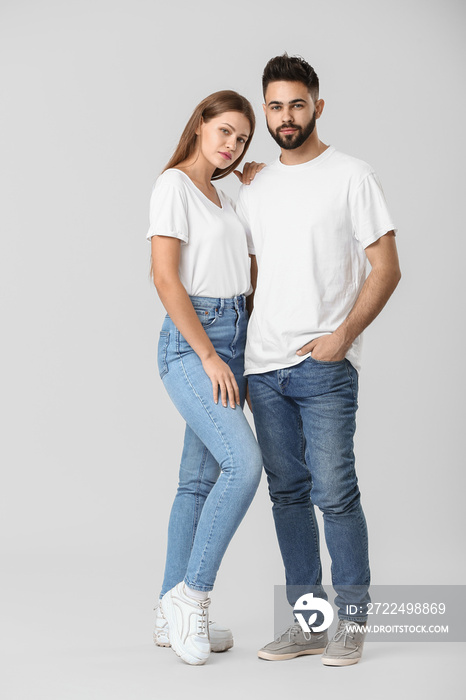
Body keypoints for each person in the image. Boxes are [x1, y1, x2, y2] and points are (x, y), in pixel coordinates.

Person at [236, 54, 401, 666]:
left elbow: (387, 269)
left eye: (296, 104)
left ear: (317, 106)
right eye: (275, 107)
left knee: (335, 492)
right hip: (263, 368)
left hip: (323, 365)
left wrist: (341, 338)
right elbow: (252, 274)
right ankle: (309, 623)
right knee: (287, 495)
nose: (285, 117)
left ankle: (350, 623)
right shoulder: (255, 185)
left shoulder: (353, 175)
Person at [146, 90, 263, 666]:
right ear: (199, 126)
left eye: (242, 139)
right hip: (194, 343)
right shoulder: (174, 186)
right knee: (243, 466)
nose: (232, 145)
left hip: (235, 337)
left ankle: (168, 614)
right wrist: (210, 357)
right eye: (225, 132)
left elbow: (248, 266)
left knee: (197, 482)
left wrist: (257, 184)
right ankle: (192, 598)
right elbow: (165, 278)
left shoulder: (225, 196)